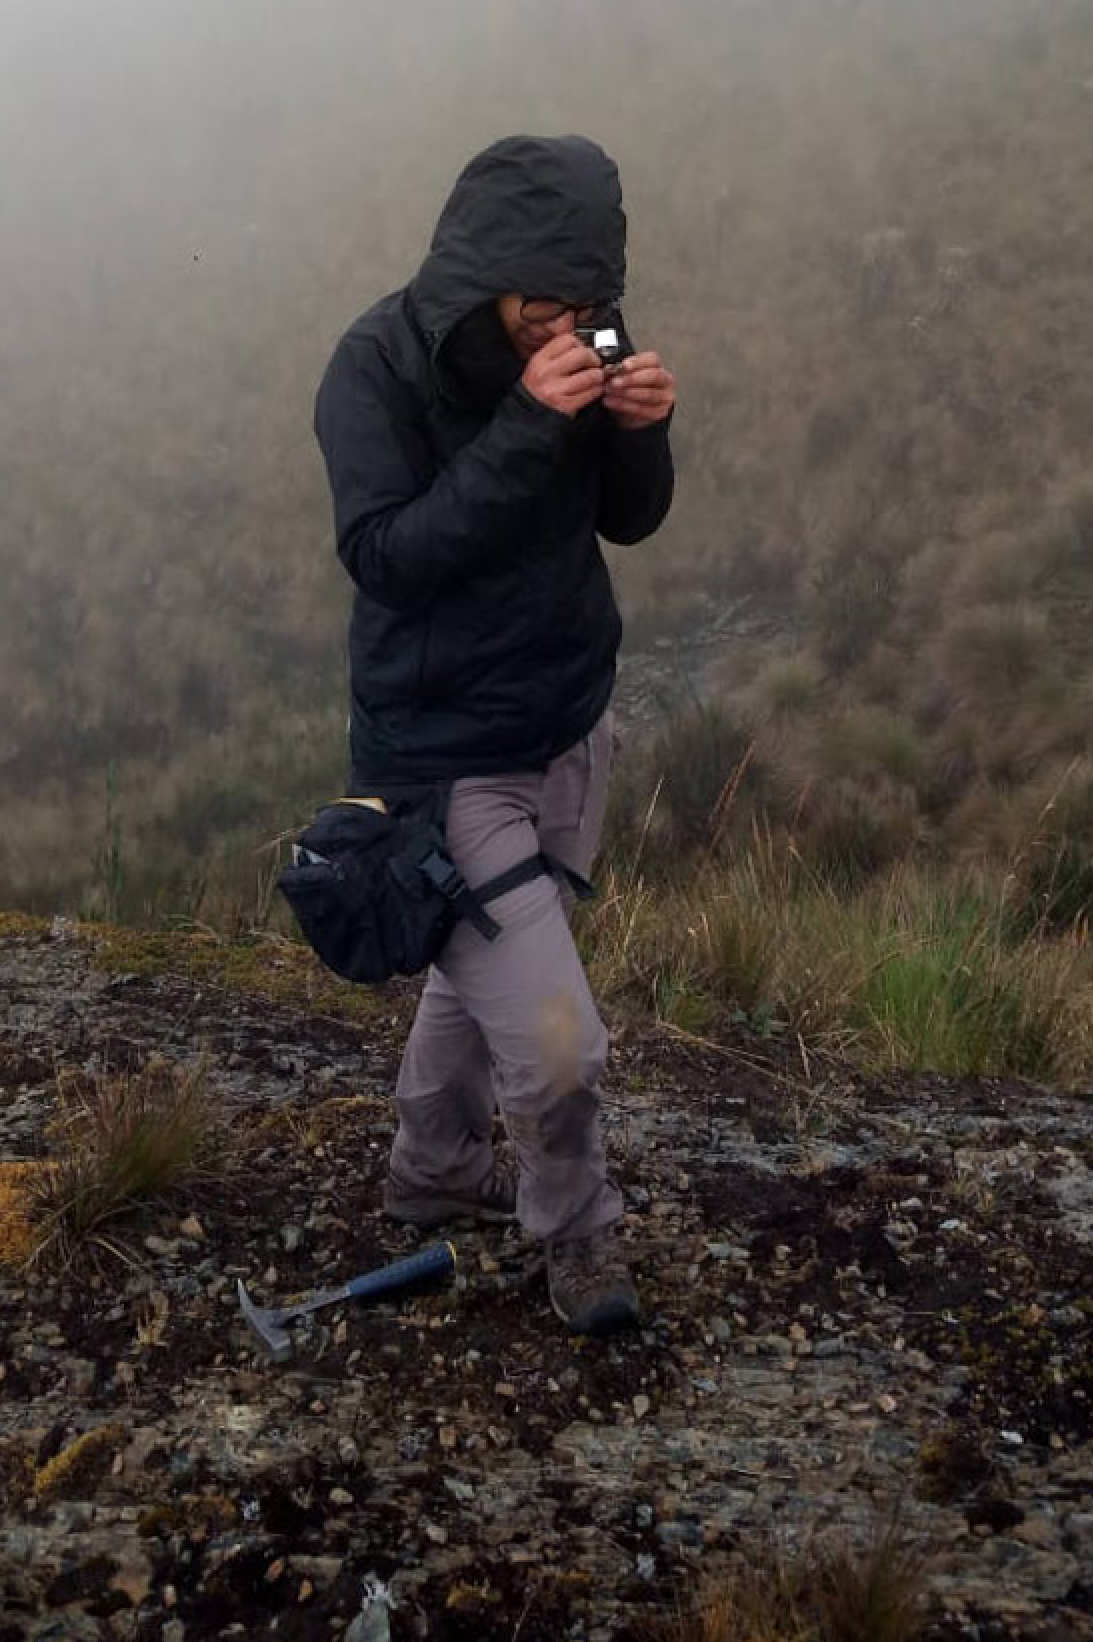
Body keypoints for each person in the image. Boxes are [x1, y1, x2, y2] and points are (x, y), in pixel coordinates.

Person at [309, 133, 677, 1336]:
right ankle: (576, 1233)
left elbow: (632, 520)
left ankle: (431, 1169)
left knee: (499, 967)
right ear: (483, 275)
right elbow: (386, 560)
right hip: (443, 756)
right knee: (561, 1039)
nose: (570, 326)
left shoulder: (598, 327)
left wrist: (641, 428)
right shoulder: (373, 370)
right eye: (545, 306)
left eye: (590, 302)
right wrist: (528, 422)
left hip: (569, 723)